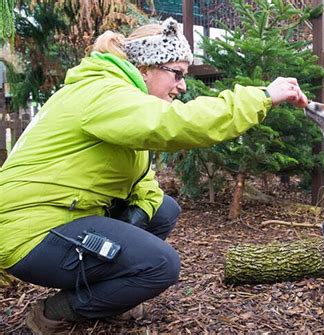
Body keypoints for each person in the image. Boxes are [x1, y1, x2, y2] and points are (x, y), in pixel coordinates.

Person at [0, 17, 308, 334]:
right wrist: (262, 96)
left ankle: (110, 292)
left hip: (62, 215)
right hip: (32, 232)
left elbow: (144, 184)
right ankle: (54, 313)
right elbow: (179, 124)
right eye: (177, 73)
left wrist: (133, 225)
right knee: (161, 266)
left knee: (163, 209)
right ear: (146, 68)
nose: (183, 86)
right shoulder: (105, 94)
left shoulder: (117, 98)